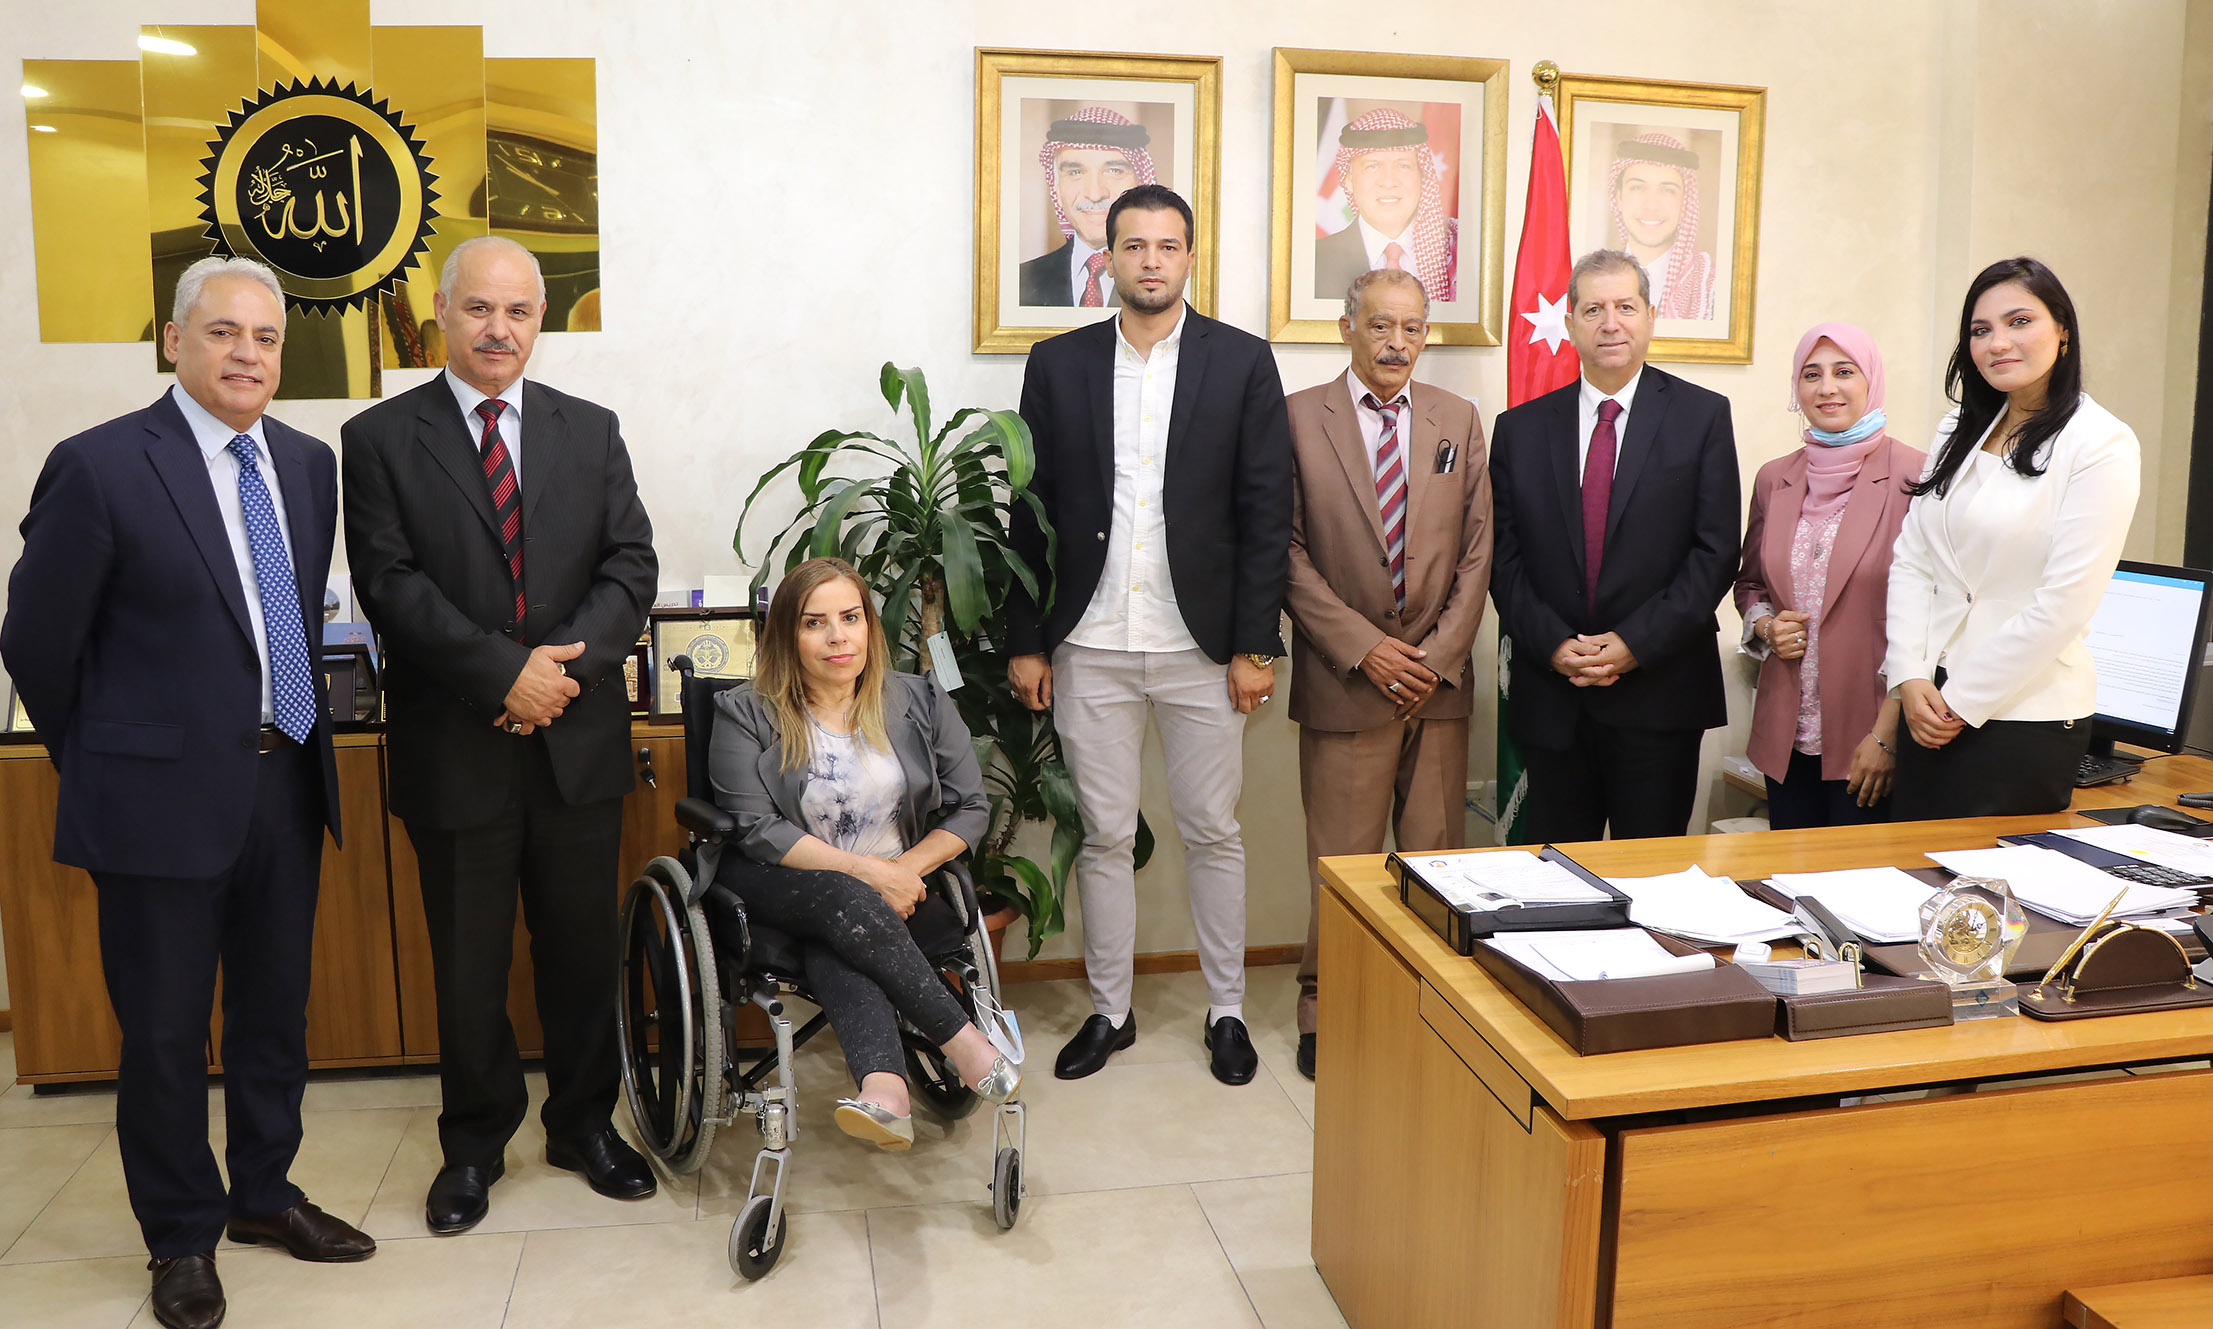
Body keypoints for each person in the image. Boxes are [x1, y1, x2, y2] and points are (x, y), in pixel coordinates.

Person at [1, 256, 374, 1329]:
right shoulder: (101, 464)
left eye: (266, 337)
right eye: (223, 332)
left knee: (274, 1015)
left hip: (284, 779)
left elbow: (283, 616)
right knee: (165, 1034)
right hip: (155, 802)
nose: (247, 353)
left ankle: (263, 1193)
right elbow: (36, 641)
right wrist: (107, 759)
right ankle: (179, 1234)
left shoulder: (305, 464)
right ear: (174, 341)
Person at [342, 235, 659, 1234]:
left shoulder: (590, 430)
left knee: (580, 952)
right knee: (468, 965)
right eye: (479, 308)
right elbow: (389, 583)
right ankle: (473, 1144)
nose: (498, 329)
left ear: (538, 321)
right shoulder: (379, 439)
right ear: (442, 311)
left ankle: (583, 1125)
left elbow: (631, 566)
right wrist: (501, 674)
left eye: (518, 311)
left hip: (575, 739)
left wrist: (557, 676)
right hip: (457, 744)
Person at [1005, 183, 1293, 1086]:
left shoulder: (1241, 362)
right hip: (1089, 641)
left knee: (1212, 829)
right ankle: (1109, 1010)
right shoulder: (1058, 365)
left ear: (1189, 257)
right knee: (1101, 834)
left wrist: (1255, 645)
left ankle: (1226, 1011)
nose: (1151, 261)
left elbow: (1265, 511)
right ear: (1109, 258)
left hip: (1201, 647)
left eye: (1167, 246)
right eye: (1134, 246)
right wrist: (1026, 639)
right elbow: (1028, 509)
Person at [704, 558, 1019, 1148]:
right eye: (814, 622)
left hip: (893, 885)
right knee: (843, 897)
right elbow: (756, 827)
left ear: (870, 626)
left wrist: (903, 871)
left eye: (850, 618)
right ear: (787, 635)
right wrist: (871, 875)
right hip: (779, 880)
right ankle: (964, 1040)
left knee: (840, 931)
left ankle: (884, 1089)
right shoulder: (745, 711)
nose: (837, 636)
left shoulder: (918, 699)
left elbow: (971, 807)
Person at [1284, 269, 1491, 1080]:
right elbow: (1284, 552)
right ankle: (1327, 1006)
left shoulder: (1457, 418)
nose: (1395, 342)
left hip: (1436, 689)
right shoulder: (1297, 417)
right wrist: (1365, 647)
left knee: (1437, 863)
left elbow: (1477, 549)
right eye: (1379, 325)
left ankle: (1427, 1008)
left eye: (1410, 327)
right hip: (1346, 682)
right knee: (1341, 865)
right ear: (1347, 328)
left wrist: (1433, 658)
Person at [1488, 249, 1741, 841]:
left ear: (1650, 316)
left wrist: (1633, 644)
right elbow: (1502, 558)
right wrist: (1554, 644)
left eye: (1625, 307)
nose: (1610, 323)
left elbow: (1714, 553)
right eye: (1593, 309)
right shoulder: (1519, 429)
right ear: (1570, 322)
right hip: (1554, 695)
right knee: (1558, 877)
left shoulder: (1702, 416)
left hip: (1660, 694)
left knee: (1651, 878)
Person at [1885, 257, 2140, 819]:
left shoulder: (2100, 443)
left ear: (2063, 330)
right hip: (1928, 700)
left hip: (2023, 713)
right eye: (1981, 330)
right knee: (1916, 868)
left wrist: (1961, 699)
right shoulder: (1959, 426)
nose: (1998, 342)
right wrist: (1908, 674)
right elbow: (1913, 560)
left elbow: (2065, 603)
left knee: (1991, 875)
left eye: (2019, 321)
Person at [1734, 323, 1924, 828]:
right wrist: (1765, 626)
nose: (1827, 388)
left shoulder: (1916, 476)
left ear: (1871, 380)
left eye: (1844, 372)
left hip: (1871, 735)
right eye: (1811, 374)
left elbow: (1933, 619)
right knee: (1789, 873)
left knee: (1862, 875)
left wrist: (1887, 736)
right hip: (1787, 735)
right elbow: (1750, 583)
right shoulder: (1775, 478)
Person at [1314, 108, 1458, 304]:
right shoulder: (1315, 261)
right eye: (1372, 166)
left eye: (1403, 166)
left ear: (1422, 177)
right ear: (1348, 181)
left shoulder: (1458, 251)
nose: (1389, 182)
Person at [1019, 107, 1156, 307]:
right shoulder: (1022, 281)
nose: (1094, 194)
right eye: (1075, 172)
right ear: (1056, 187)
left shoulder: (1162, 279)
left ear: (1141, 184)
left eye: (1114, 171)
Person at [1606, 132, 1716, 320]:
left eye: (1667, 190)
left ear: (1685, 203)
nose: (1651, 206)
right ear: (1618, 198)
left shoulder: (1710, 288)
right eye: (1638, 188)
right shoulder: (1594, 279)